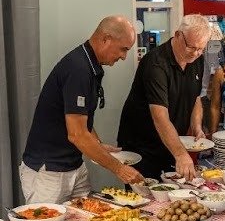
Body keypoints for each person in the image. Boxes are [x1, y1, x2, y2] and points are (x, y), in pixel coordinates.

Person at [20, 16, 144, 204]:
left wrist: (97, 144)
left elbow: (81, 120)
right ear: (106, 39)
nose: (124, 57)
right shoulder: (78, 68)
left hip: (74, 166)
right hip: (49, 171)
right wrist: (120, 169)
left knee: (90, 217)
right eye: (123, 49)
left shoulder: (90, 65)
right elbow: (77, 134)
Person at [118, 14, 208, 181]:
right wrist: (181, 154)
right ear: (178, 35)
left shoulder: (198, 60)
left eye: (201, 48)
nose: (196, 53)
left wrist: (196, 127)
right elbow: (160, 117)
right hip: (143, 147)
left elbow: (195, 98)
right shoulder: (156, 63)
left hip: (171, 144)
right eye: (192, 47)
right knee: (146, 195)